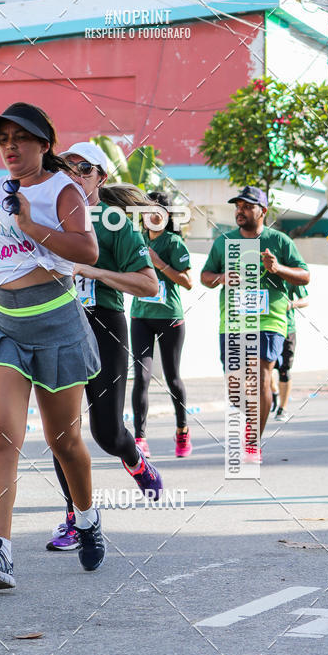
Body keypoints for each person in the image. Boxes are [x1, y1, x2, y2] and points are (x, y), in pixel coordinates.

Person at [0, 102, 104, 589]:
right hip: (4, 324)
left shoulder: (65, 190)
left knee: (65, 441)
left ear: (44, 144)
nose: (10, 147)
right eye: (3, 140)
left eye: (20, 138)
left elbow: (86, 251)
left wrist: (30, 226)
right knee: (0, 437)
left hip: (56, 324)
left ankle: (87, 518)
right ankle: (1, 552)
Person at [47, 143, 163, 552]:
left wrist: (89, 269)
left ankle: (134, 459)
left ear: (102, 177)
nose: (73, 173)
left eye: (83, 168)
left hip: (105, 327)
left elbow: (149, 284)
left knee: (107, 433)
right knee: (62, 432)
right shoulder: (49, 216)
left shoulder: (116, 224)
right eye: (66, 167)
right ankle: (76, 519)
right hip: (58, 326)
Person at [200, 186, 309, 460]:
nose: (240, 210)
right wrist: (222, 278)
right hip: (233, 321)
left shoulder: (280, 241)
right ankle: (254, 414)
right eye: (238, 206)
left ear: (263, 211)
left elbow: (304, 276)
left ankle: (252, 443)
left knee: (260, 378)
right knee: (236, 391)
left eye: (247, 206)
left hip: (269, 320)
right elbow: (205, 276)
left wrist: (277, 269)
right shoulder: (224, 241)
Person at [129, 192, 193, 460]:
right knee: (141, 377)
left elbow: (188, 281)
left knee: (172, 377)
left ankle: (182, 430)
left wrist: (160, 263)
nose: (151, 215)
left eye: (157, 211)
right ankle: (140, 438)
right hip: (140, 315)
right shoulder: (136, 240)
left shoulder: (174, 242)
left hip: (170, 317)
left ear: (167, 217)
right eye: (146, 210)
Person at [271, 285, 309, 422]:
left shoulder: (289, 271)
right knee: (264, 368)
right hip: (265, 327)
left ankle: (282, 408)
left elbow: (305, 300)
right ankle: (274, 391)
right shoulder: (259, 272)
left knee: (284, 370)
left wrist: (290, 304)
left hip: (287, 328)